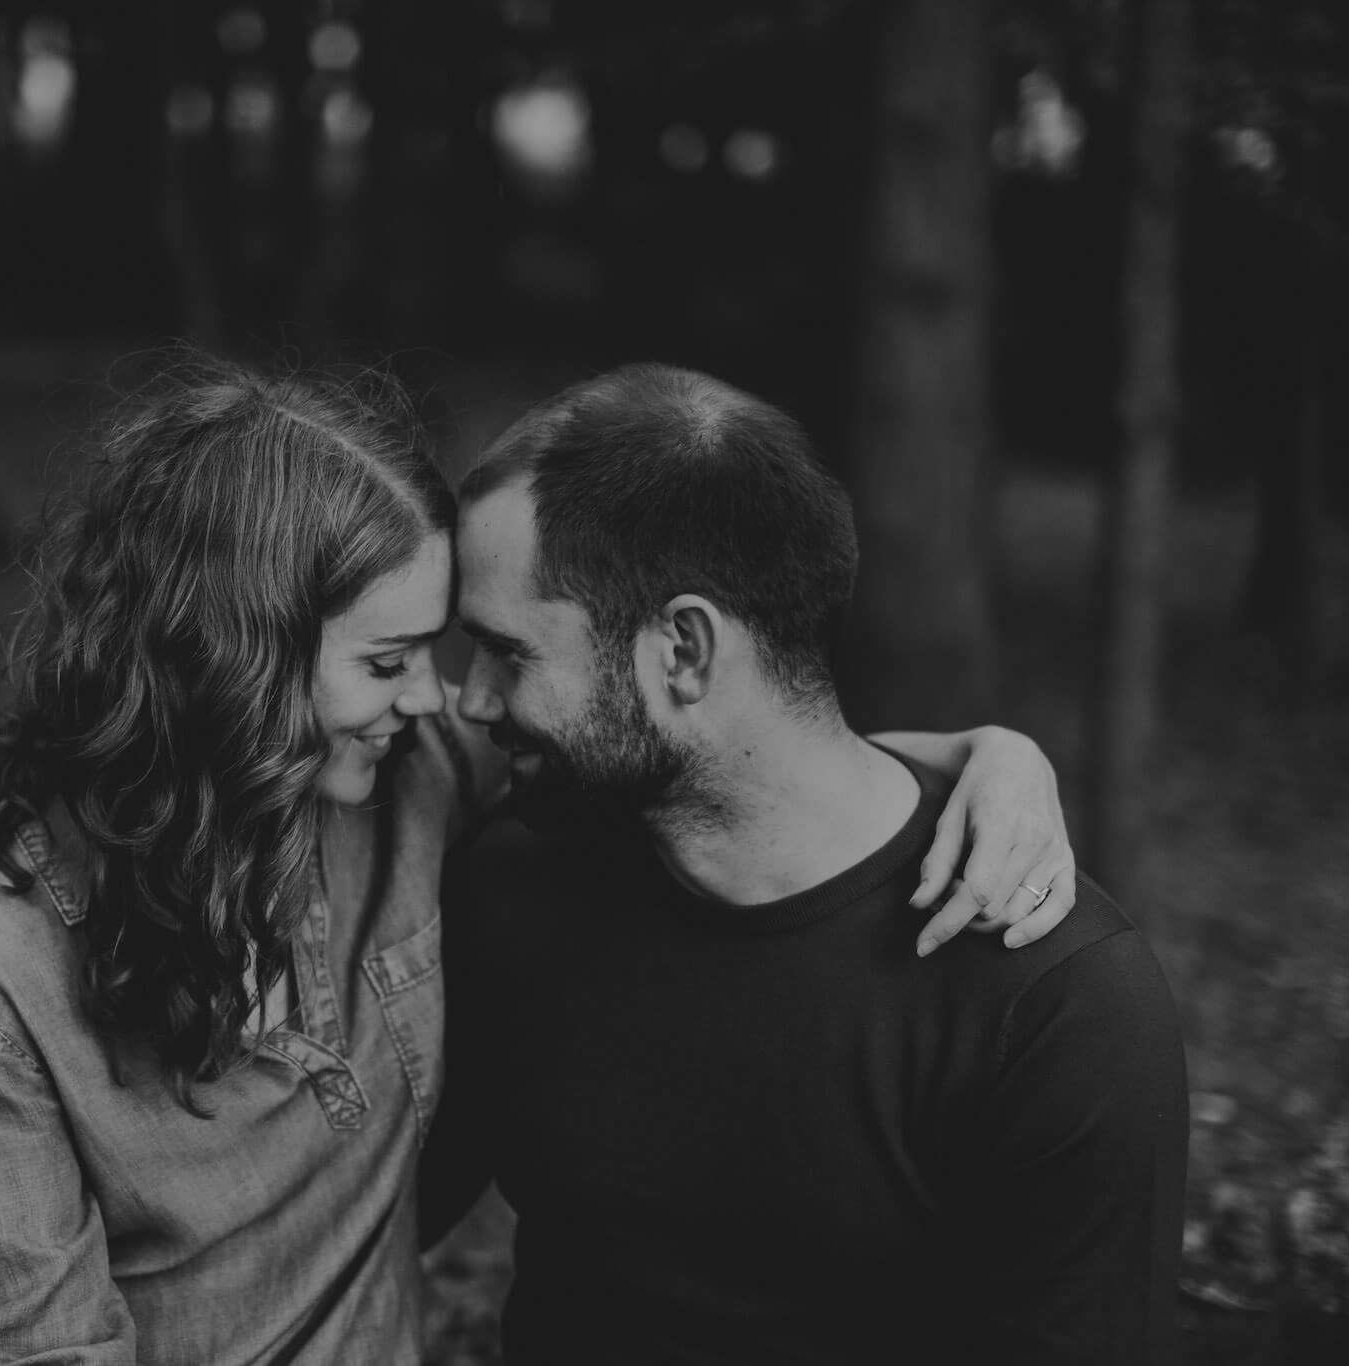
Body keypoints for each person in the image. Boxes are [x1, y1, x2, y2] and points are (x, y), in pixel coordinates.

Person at [0, 357, 1083, 1366]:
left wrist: (987, 755)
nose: (434, 698)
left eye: (442, 652)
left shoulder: (398, 773)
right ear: (234, 670)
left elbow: (710, 745)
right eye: (388, 661)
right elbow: (38, 1344)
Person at [426, 363, 1189, 1365]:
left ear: (683, 652)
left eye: (505, 653)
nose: (470, 699)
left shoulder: (1049, 1006)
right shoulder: (514, 883)